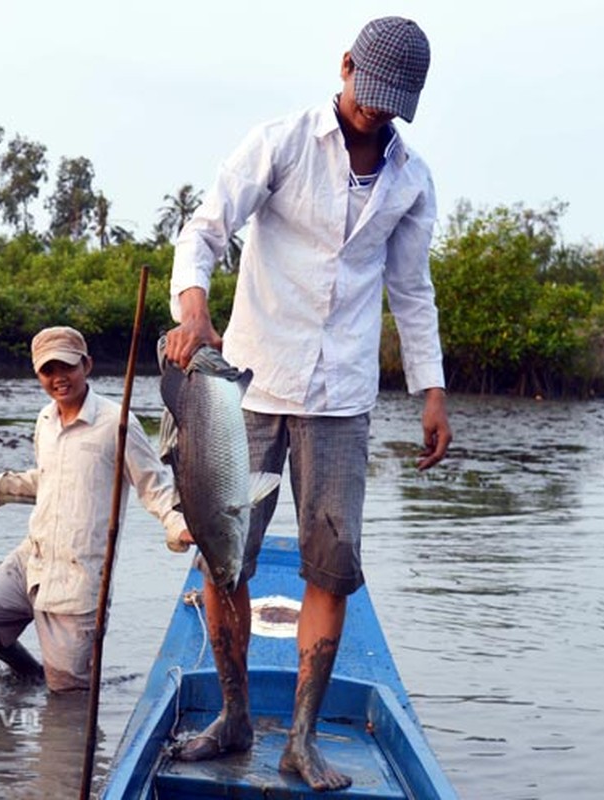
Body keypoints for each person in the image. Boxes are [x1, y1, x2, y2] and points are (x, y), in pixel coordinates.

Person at [163, 16, 453, 792]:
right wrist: (194, 312)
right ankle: (230, 719)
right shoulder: (282, 143)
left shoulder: (411, 178)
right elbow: (205, 230)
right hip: (245, 391)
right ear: (347, 65)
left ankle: (299, 740)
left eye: (395, 104)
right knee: (225, 561)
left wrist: (433, 391)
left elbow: (411, 291)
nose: (376, 112)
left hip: (342, 397)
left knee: (331, 569)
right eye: (370, 93)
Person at [0, 325, 189, 692]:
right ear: (38, 375)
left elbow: (154, 486)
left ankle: (60, 688)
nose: (58, 378)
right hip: (33, 558)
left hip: (78, 578)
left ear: (87, 365)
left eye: (67, 367)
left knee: (68, 699)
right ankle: (30, 675)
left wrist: (179, 527)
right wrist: (0, 485)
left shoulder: (118, 422)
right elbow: (48, 479)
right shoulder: (45, 420)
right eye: (48, 371)